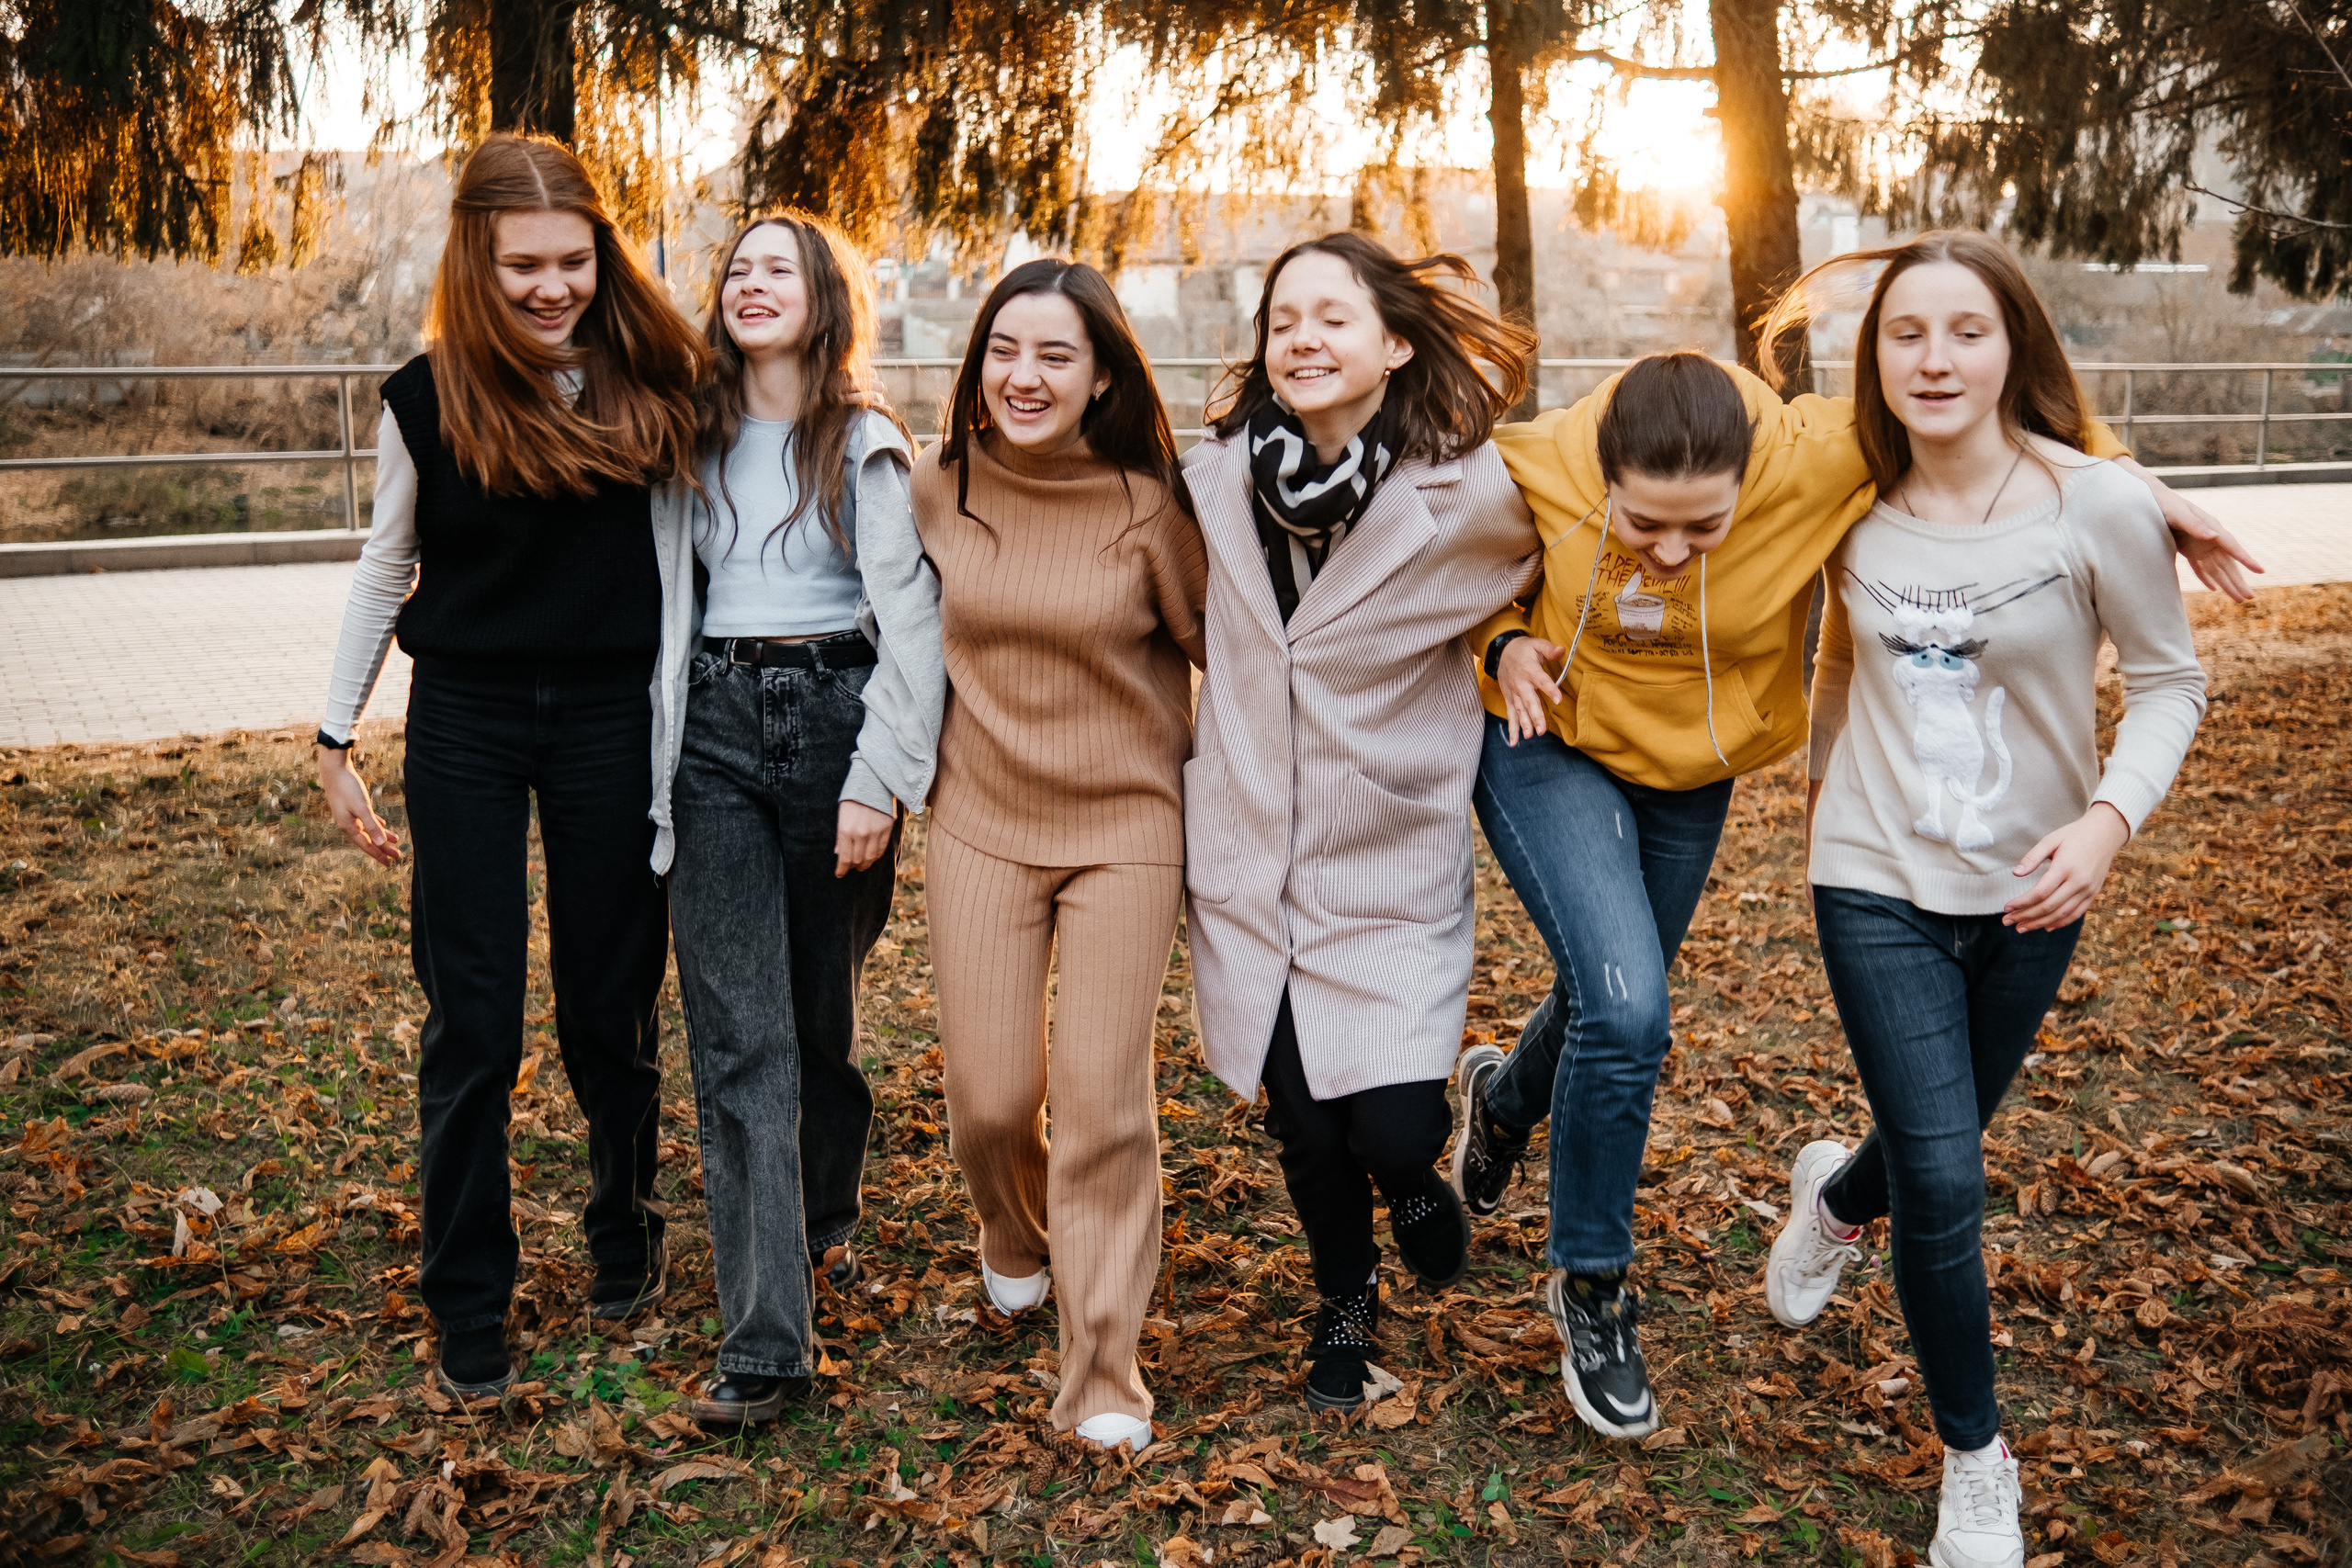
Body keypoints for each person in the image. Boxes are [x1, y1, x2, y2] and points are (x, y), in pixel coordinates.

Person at [1449, 344, 2254, 1442]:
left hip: (1691, 767)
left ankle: (1501, 1102)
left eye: (1704, 527)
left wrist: (2147, 488)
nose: (1674, 552)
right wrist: (1502, 643)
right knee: (1627, 1006)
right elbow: (1432, 565)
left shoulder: (1818, 458)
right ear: (1600, 477)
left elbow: (1987, 415)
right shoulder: (1530, 461)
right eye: (1644, 528)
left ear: (1751, 484)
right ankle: (1591, 1285)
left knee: (1613, 997)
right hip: (1549, 741)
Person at [1758, 231, 2206, 1568]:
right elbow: (1838, 663)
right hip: (1876, 879)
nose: (1935, 358)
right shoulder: (1850, 503)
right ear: (1875, 357)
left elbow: (2172, 682)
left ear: (2014, 345)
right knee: (1949, 1173)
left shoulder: (2098, 503)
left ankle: (1836, 1200)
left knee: (1927, 1140)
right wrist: (1837, 792)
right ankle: (1976, 1454)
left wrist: (2107, 822)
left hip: (2033, 883)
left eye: (1966, 330)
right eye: (1907, 334)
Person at [313, 134, 705, 1397]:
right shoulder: (426, 395)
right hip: (467, 720)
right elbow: (387, 563)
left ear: (603, 253)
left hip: (609, 717)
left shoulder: (655, 381)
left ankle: (622, 1231)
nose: (551, 287)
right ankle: (467, 1294)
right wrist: (335, 735)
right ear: (475, 262)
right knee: (472, 1015)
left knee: (610, 1003)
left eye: (572, 260)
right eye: (522, 264)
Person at [1183, 232, 1541, 1415]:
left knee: (1389, 1122)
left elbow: (1544, 573)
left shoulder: (1470, 490)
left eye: (1333, 317)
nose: (1302, 338)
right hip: (1249, 853)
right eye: (1284, 318)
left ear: (1392, 344)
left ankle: (1419, 1184)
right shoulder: (1212, 483)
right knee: (1300, 1118)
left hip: (1384, 852)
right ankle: (1345, 1295)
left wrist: (1507, 641)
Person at [644, 213, 943, 1426]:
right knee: (741, 1038)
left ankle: (824, 1213)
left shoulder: (862, 441)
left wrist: (880, 777)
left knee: (820, 1017)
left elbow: (911, 624)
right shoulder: (688, 434)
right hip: (712, 726)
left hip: (834, 723)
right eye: (736, 268)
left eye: (780, 268)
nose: (750, 283)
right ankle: (767, 1340)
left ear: (823, 299)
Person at [915, 258, 1206, 1453]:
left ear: (1100, 378)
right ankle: (1015, 1228)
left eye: (1055, 357)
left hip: (1125, 828)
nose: (1025, 376)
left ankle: (1100, 1368)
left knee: (1098, 1099)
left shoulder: (1149, 504)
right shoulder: (936, 486)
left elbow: (1228, 659)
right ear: (978, 363)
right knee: (991, 1102)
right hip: (979, 816)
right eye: (1005, 351)